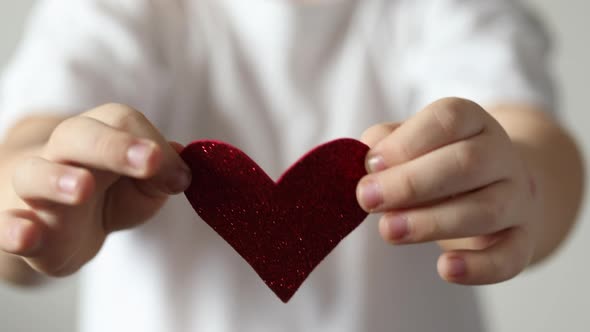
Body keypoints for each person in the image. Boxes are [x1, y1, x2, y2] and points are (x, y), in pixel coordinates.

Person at [0, 0, 583, 331]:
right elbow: (29, 142)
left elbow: (532, 139)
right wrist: (40, 207)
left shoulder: (441, 10)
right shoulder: (116, 12)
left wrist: (516, 190)